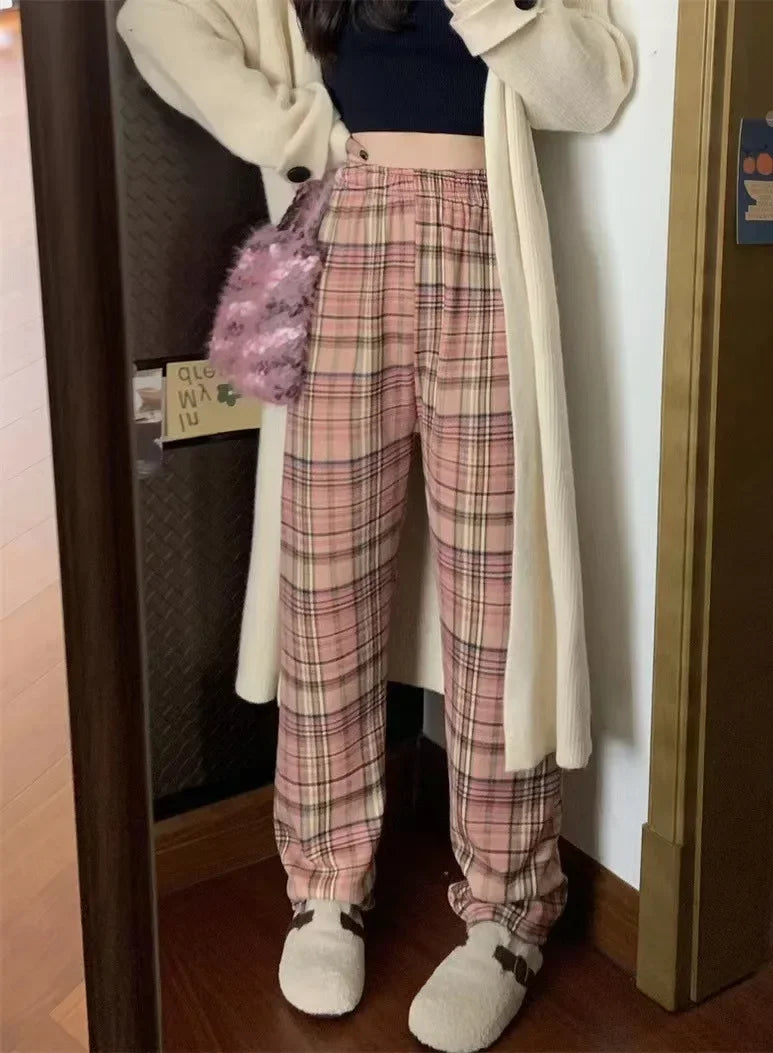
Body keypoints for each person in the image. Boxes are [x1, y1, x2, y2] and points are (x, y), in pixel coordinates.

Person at [117, 1, 633, 1049]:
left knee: (499, 597)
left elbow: (596, 87)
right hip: (341, 240)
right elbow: (154, 20)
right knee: (328, 586)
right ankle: (326, 886)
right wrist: (298, 135)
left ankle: (507, 911)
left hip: (488, 242)